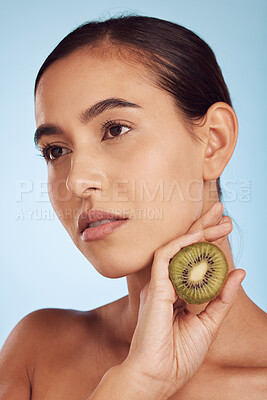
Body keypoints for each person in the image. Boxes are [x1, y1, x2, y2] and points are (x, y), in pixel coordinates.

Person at [0, 14, 266, 400]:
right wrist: (132, 388)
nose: (76, 180)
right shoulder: (36, 353)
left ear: (214, 142)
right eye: (56, 150)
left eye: (115, 129)